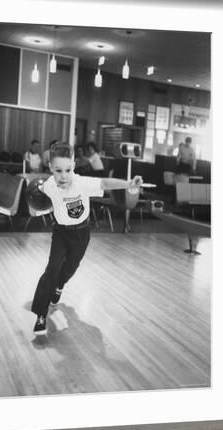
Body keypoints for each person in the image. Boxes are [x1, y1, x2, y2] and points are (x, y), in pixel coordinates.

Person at [31, 141, 143, 335]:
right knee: (52, 269)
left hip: (81, 233)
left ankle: (59, 286)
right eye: (58, 171)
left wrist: (129, 184)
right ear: (50, 168)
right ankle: (41, 314)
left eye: (67, 170)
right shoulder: (48, 185)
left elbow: (105, 183)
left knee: (70, 268)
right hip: (60, 233)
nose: (63, 176)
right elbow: (35, 196)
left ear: (73, 166)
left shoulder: (81, 182)